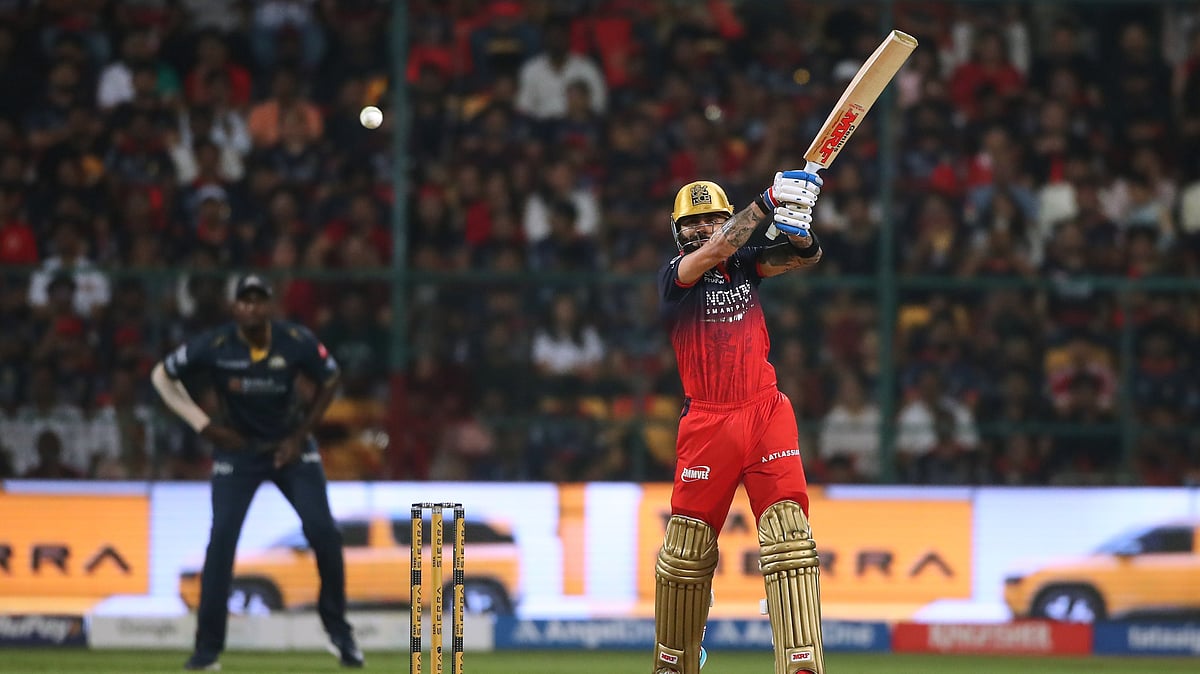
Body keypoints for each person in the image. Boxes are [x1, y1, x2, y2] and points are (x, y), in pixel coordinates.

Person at [652, 171, 826, 674]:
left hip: (765, 410)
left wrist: (798, 231)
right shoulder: (676, 276)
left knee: (790, 539)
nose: (705, 230)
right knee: (685, 553)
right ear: (677, 231)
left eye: (714, 220)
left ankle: (801, 662)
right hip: (708, 423)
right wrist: (769, 201)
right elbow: (715, 251)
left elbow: (803, 258)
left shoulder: (745, 263)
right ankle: (676, 660)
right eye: (694, 222)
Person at [150, 274, 362, 671]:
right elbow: (161, 376)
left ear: (269, 306)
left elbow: (330, 378)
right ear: (235, 309)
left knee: (323, 531)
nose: (251, 308)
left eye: (258, 300)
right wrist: (204, 426)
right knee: (222, 543)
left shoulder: (295, 339)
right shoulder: (216, 345)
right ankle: (207, 650)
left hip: (290, 449)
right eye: (244, 301)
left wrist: (301, 435)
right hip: (239, 452)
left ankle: (339, 632)